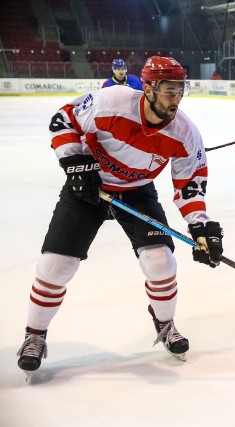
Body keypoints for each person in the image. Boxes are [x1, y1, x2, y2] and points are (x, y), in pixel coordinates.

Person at [16, 56, 223, 376]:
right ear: (149, 89)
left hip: (138, 192)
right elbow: (63, 119)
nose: (176, 99)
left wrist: (201, 226)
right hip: (89, 185)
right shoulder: (111, 102)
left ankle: (165, 324)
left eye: (180, 90)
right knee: (56, 265)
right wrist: (74, 164)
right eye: (169, 90)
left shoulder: (185, 132)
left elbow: (191, 184)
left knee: (161, 262)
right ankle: (34, 335)